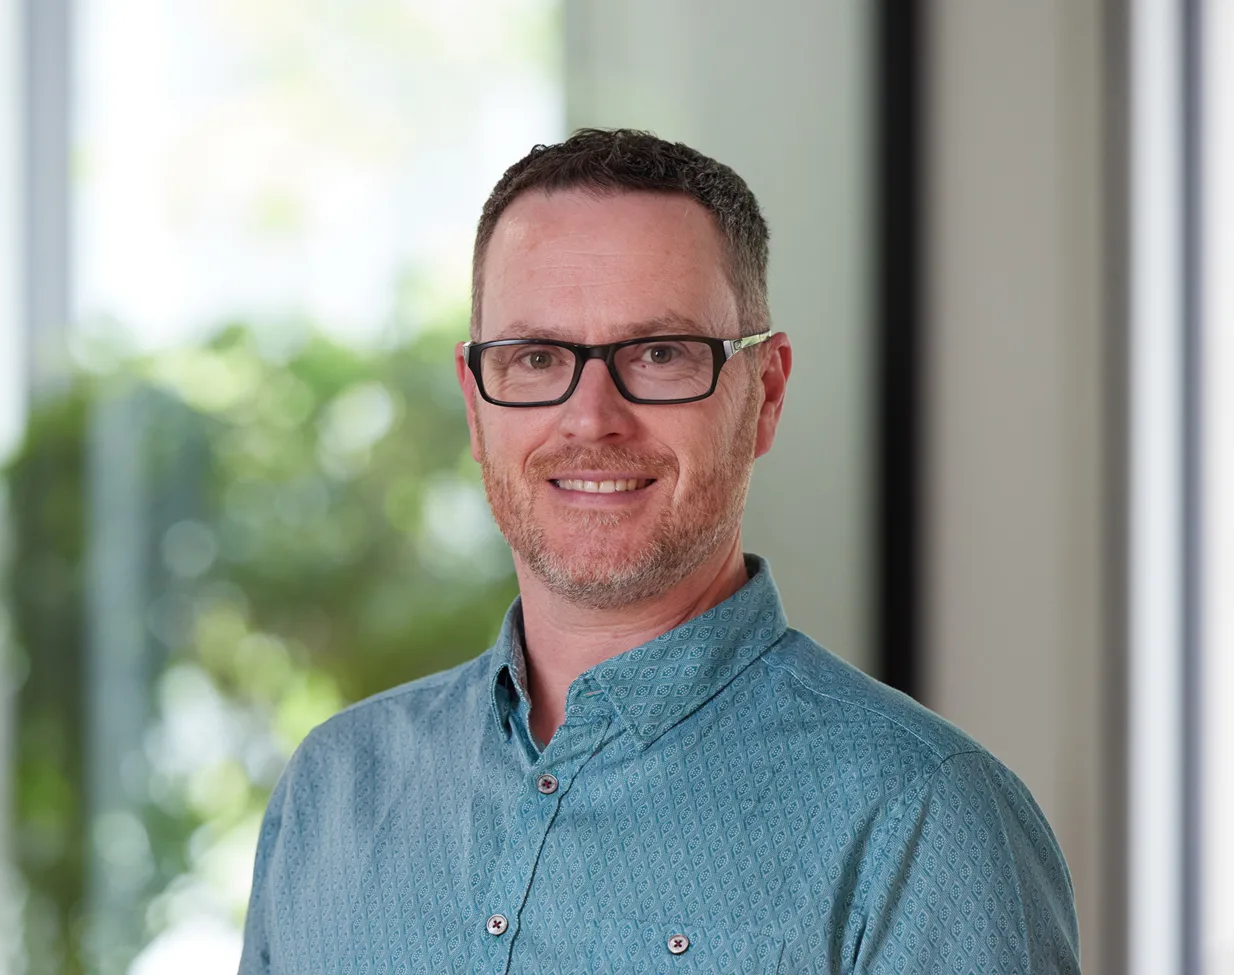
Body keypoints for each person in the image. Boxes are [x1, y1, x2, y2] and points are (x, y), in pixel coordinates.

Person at [238, 129, 1080, 974]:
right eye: (537, 357)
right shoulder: (332, 791)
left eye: (660, 353)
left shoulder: (925, 819)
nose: (591, 418)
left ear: (766, 393)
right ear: (475, 401)